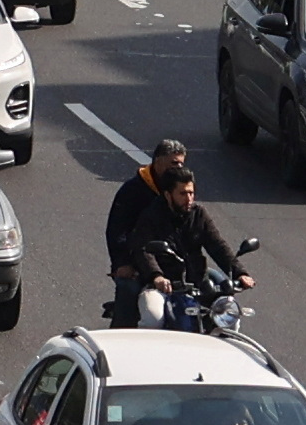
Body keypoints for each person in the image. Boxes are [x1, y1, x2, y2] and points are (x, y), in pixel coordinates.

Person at [103, 137, 244, 327]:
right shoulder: (137, 197)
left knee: (226, 297)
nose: (188, 198)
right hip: (144, 266)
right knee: (133, 295)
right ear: (158, 161)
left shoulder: (197, 213)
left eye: (191, 193)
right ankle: (121, 338)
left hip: (188, 271)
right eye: (173, 163)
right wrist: (125, 264)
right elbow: (122, 233)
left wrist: (239, 272)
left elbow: (217, 244)